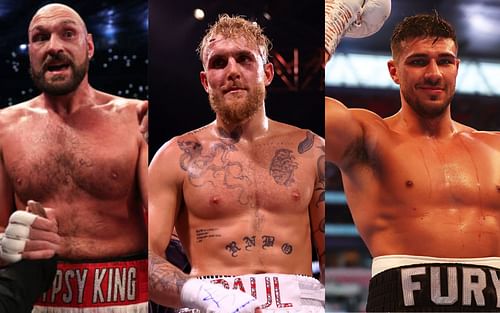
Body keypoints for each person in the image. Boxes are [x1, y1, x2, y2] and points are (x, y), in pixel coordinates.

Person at [325, 1, 500, 311]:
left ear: (456, 68)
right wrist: (332, 23)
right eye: (419, 61)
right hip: (401, 298)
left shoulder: (495, 146)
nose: (433, 73)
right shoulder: (369, 138)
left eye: (444, 61)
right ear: (394, 71)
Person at [149, 14, 325, 313]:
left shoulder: (310, 150)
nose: (232, 71)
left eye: (244, 59)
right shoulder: (175, 156)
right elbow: (147, 259)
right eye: (219, 63)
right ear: (206, 81)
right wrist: (202, 295)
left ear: (267, 73)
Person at [0, 3, 148, 312]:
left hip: (127, 296)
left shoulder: (137, 117)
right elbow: (1, 229)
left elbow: (164, 223)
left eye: (68, 33)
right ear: (30, 51)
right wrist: (7, 245)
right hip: (37, 297)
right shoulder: (3, 127)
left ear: (89, 46)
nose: (54, 46)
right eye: (40, 37)